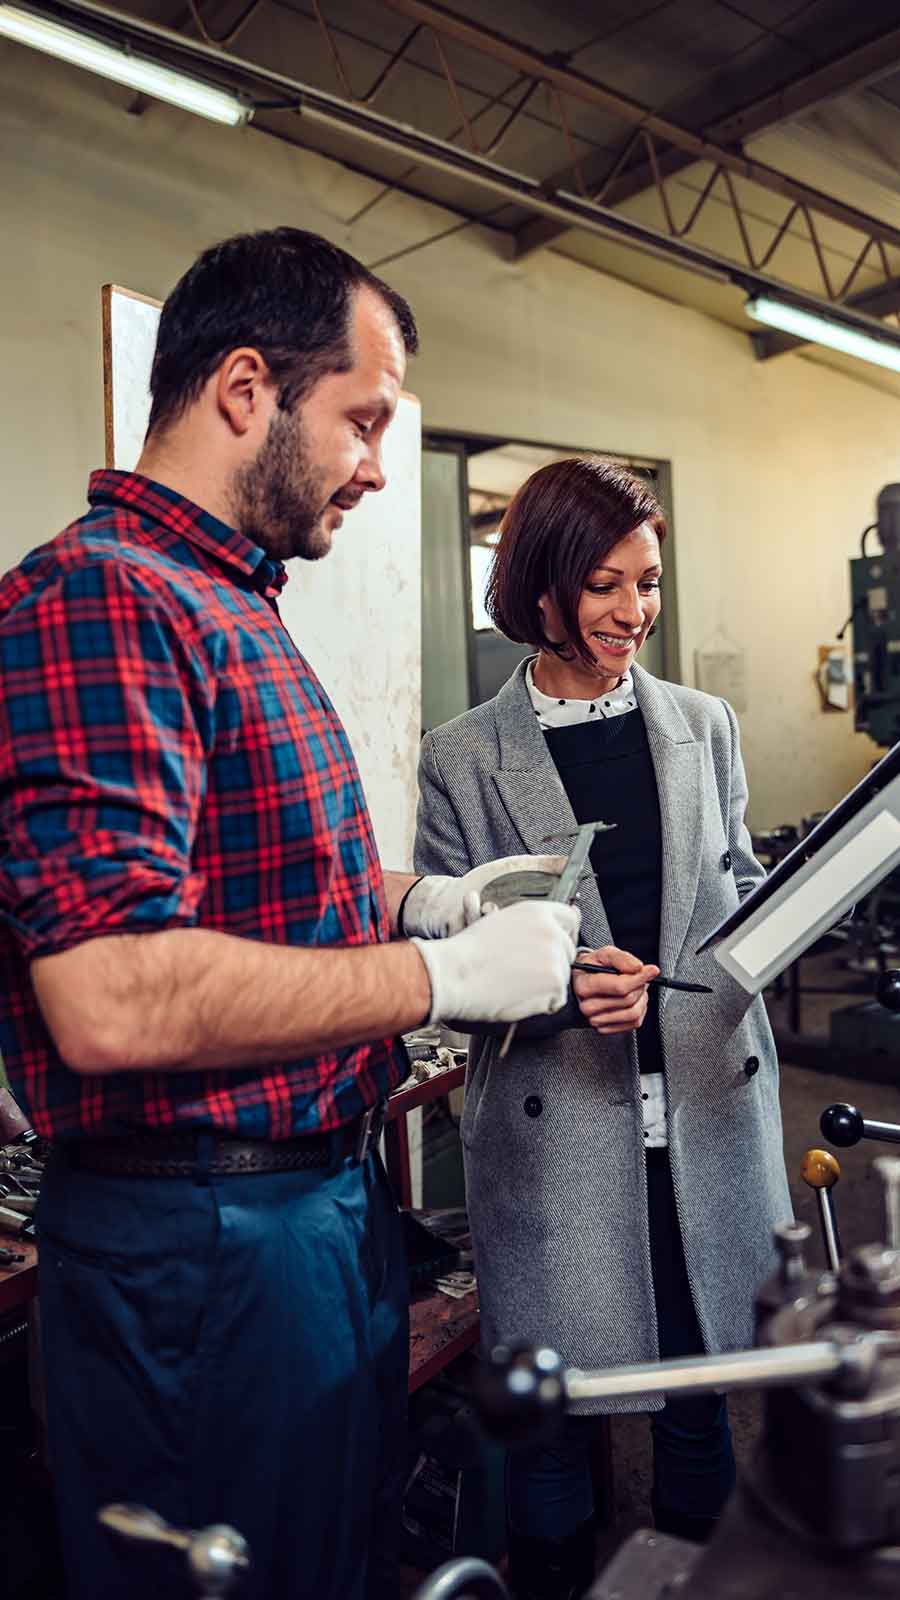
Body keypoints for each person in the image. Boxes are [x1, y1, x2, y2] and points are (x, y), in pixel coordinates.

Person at [0, 229, 581, 1600]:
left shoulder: (231, 602)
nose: (377, 465)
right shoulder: (103, 597)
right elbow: (113, 994)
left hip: (308, 1214)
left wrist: (421, 901)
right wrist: (441, 977)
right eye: (363, 419)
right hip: (199, 1238)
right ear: (246, 388)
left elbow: (265, 882)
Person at [414, 457, 793, 1599]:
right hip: (559, 1134)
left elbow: (740, 892)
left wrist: (764, 927)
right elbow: (451, 959)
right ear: (541, 588)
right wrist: (562, 984)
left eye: (650, 581)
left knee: (698, 1394)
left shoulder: (704, 726)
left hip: (705, 1113)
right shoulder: (462, 756)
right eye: (605, 585)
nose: (636, 611)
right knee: (553, 1418)